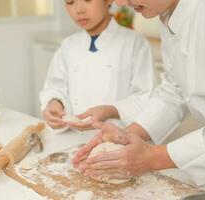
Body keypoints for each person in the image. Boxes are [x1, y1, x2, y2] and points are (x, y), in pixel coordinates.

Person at [73, 0, 205, 199]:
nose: (120, 2)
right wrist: (125, 137)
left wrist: (152, 158)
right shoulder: (168, 11)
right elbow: (175, 89)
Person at [40, 0, 155, 130]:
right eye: (70, 2)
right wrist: (55, 102)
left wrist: (110, 111)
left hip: (117, 140)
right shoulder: (68, 45)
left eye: (88, 0)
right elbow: (55, 86)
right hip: (73, 137)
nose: (79, 9)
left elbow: (144, 98)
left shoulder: (135, 43)